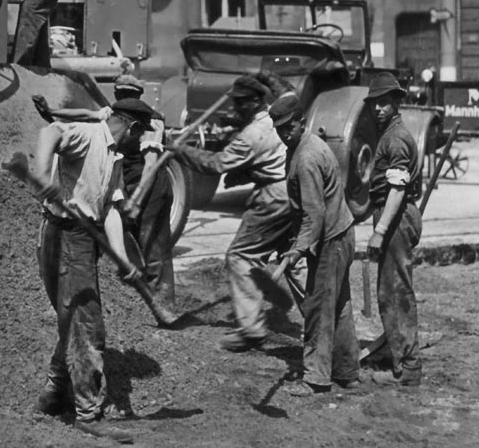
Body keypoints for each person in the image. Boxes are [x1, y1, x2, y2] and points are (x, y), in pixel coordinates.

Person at [30, 98, 152, 445]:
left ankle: (55, 394)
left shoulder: (114, 156)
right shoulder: (88, 135)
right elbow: (51, 130)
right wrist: (41, 174)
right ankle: (88, 414)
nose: (141, 144)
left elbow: (111, 208)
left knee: (75, 320)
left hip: (83, 238)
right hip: (63, 234)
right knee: (87, 325)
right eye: (141, 136)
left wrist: (122, 258)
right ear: (133, 127)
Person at [167, 75, 295, 352]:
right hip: (297, 190)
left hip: (274, 197)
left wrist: (180, 150)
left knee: (239, 256)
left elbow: (215, 164)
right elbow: (285, 93)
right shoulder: (277, 118)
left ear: (253, 102)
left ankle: (252, 330)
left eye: (239, 105)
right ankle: (317, 320)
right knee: (293, 256)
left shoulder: (251, 135)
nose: (234, 110)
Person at [32, 74, 174, 293]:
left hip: (150, 184)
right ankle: (134, 284)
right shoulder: (115, 115)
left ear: (138, 97)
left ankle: (161, 296)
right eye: (121, 94)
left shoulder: (151, 122)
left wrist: (136, 202)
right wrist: (52, 112)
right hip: (123, 179)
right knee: (123, 232)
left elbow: (150, 165)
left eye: (129, 94)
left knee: (152, 240)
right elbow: (85, 114)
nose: (123, 97)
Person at [269, 95, 361, 396]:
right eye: (279, 128)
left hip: (331, 239)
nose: (284, 133)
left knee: (318, 308)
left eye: (289, 127)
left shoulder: (307, 157)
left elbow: (314, 214)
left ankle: (316, 378)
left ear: (301, 122)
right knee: (340, 306)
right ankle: (347, 372)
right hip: (341, 233)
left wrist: (298, 249)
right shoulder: (303, 146)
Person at [364, 72, 424, 387]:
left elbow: (398, 190)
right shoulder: (389, 134)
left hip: (396, 217)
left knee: (397, 292)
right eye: (375, 104)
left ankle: (409, 366)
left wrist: (380, 229)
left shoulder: (396, 137)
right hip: (392, 216)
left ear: (397, 103)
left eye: (384, 103)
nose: (378, 109)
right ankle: (398, 352)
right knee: (389, 290)